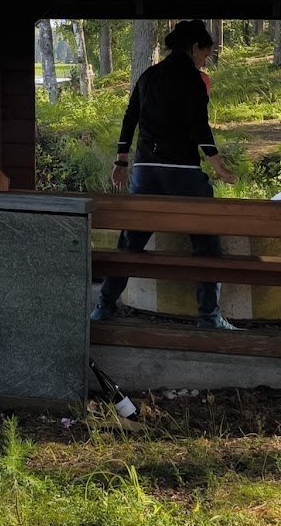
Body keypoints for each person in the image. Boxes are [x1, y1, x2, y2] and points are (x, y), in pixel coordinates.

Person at [94, 19, 237, 329]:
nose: (205, 59)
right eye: (206, 53)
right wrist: (219, 168)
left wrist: (121, 162)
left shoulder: (149, 76)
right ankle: (209, 317)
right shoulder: (192, 81)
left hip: (145, 172)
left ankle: (104, 306)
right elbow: (201, 128)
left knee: (131, 242)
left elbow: (130, 119)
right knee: (206, 242)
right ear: (195, 48)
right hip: (182, 172)